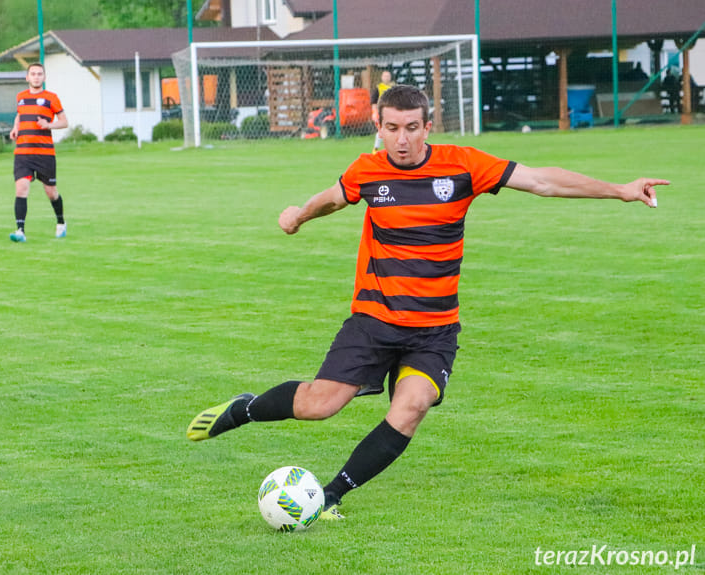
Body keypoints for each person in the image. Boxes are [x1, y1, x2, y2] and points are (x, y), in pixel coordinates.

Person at [186, 85, 667, 519]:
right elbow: (333, 198)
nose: (401, 139)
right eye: (391, 128)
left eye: (411, 128)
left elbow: (544, 180)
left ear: (427, 127)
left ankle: (329, 498)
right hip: (374, 320)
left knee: (412, 405)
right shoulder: (367, 171)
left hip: (434, 331)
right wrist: (298, 216)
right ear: (379, 127)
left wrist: (621, 191)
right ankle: (244, 410)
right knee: (319, 406)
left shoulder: (462, 165)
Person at [8, 62, 68, 242]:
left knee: (51, 191)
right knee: (21, 188)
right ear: (27, 77)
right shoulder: (21, 97)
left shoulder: (51, 98)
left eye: (39, 74)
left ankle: (61, 222)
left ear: (44, 77)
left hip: (44, 153)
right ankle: (20, 231)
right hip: (23, 152)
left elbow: (64, 121)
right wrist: (15, 127)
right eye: (33, 74)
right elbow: (20, 114)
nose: (36, 77)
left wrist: (49, 125)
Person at [370, 70, 395, 152]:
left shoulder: (394, 87)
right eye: (385, 76)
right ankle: (376, 148)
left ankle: (391, 148)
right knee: (382, 130)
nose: (386, 78)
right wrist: (374, 112)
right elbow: (373, 102)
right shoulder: (378, 88)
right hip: (382, 113)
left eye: (388, 76)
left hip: (393, 112)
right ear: (382, 77)